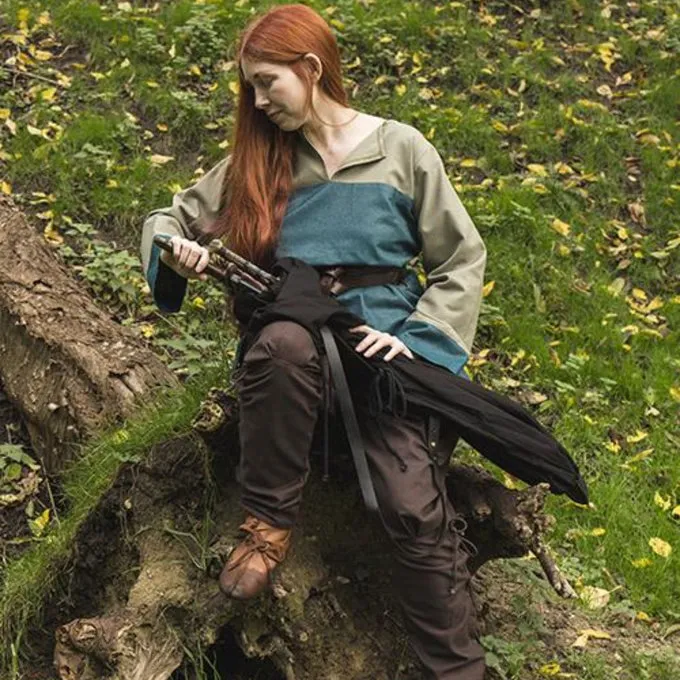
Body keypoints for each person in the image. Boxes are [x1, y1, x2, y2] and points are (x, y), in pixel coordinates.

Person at [140, 4, 487, 678]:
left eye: (267, 82)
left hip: (383, 353)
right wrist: (174, 250)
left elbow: (460, 259)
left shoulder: (401, 149)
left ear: (310, 67)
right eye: (250, 87)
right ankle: (265, 530)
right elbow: (168, 217)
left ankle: (458, 670)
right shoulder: (258, 162)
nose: (258, 102)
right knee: (282, 343)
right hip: (292, 355)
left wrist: (418, 340)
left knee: (414, 509)